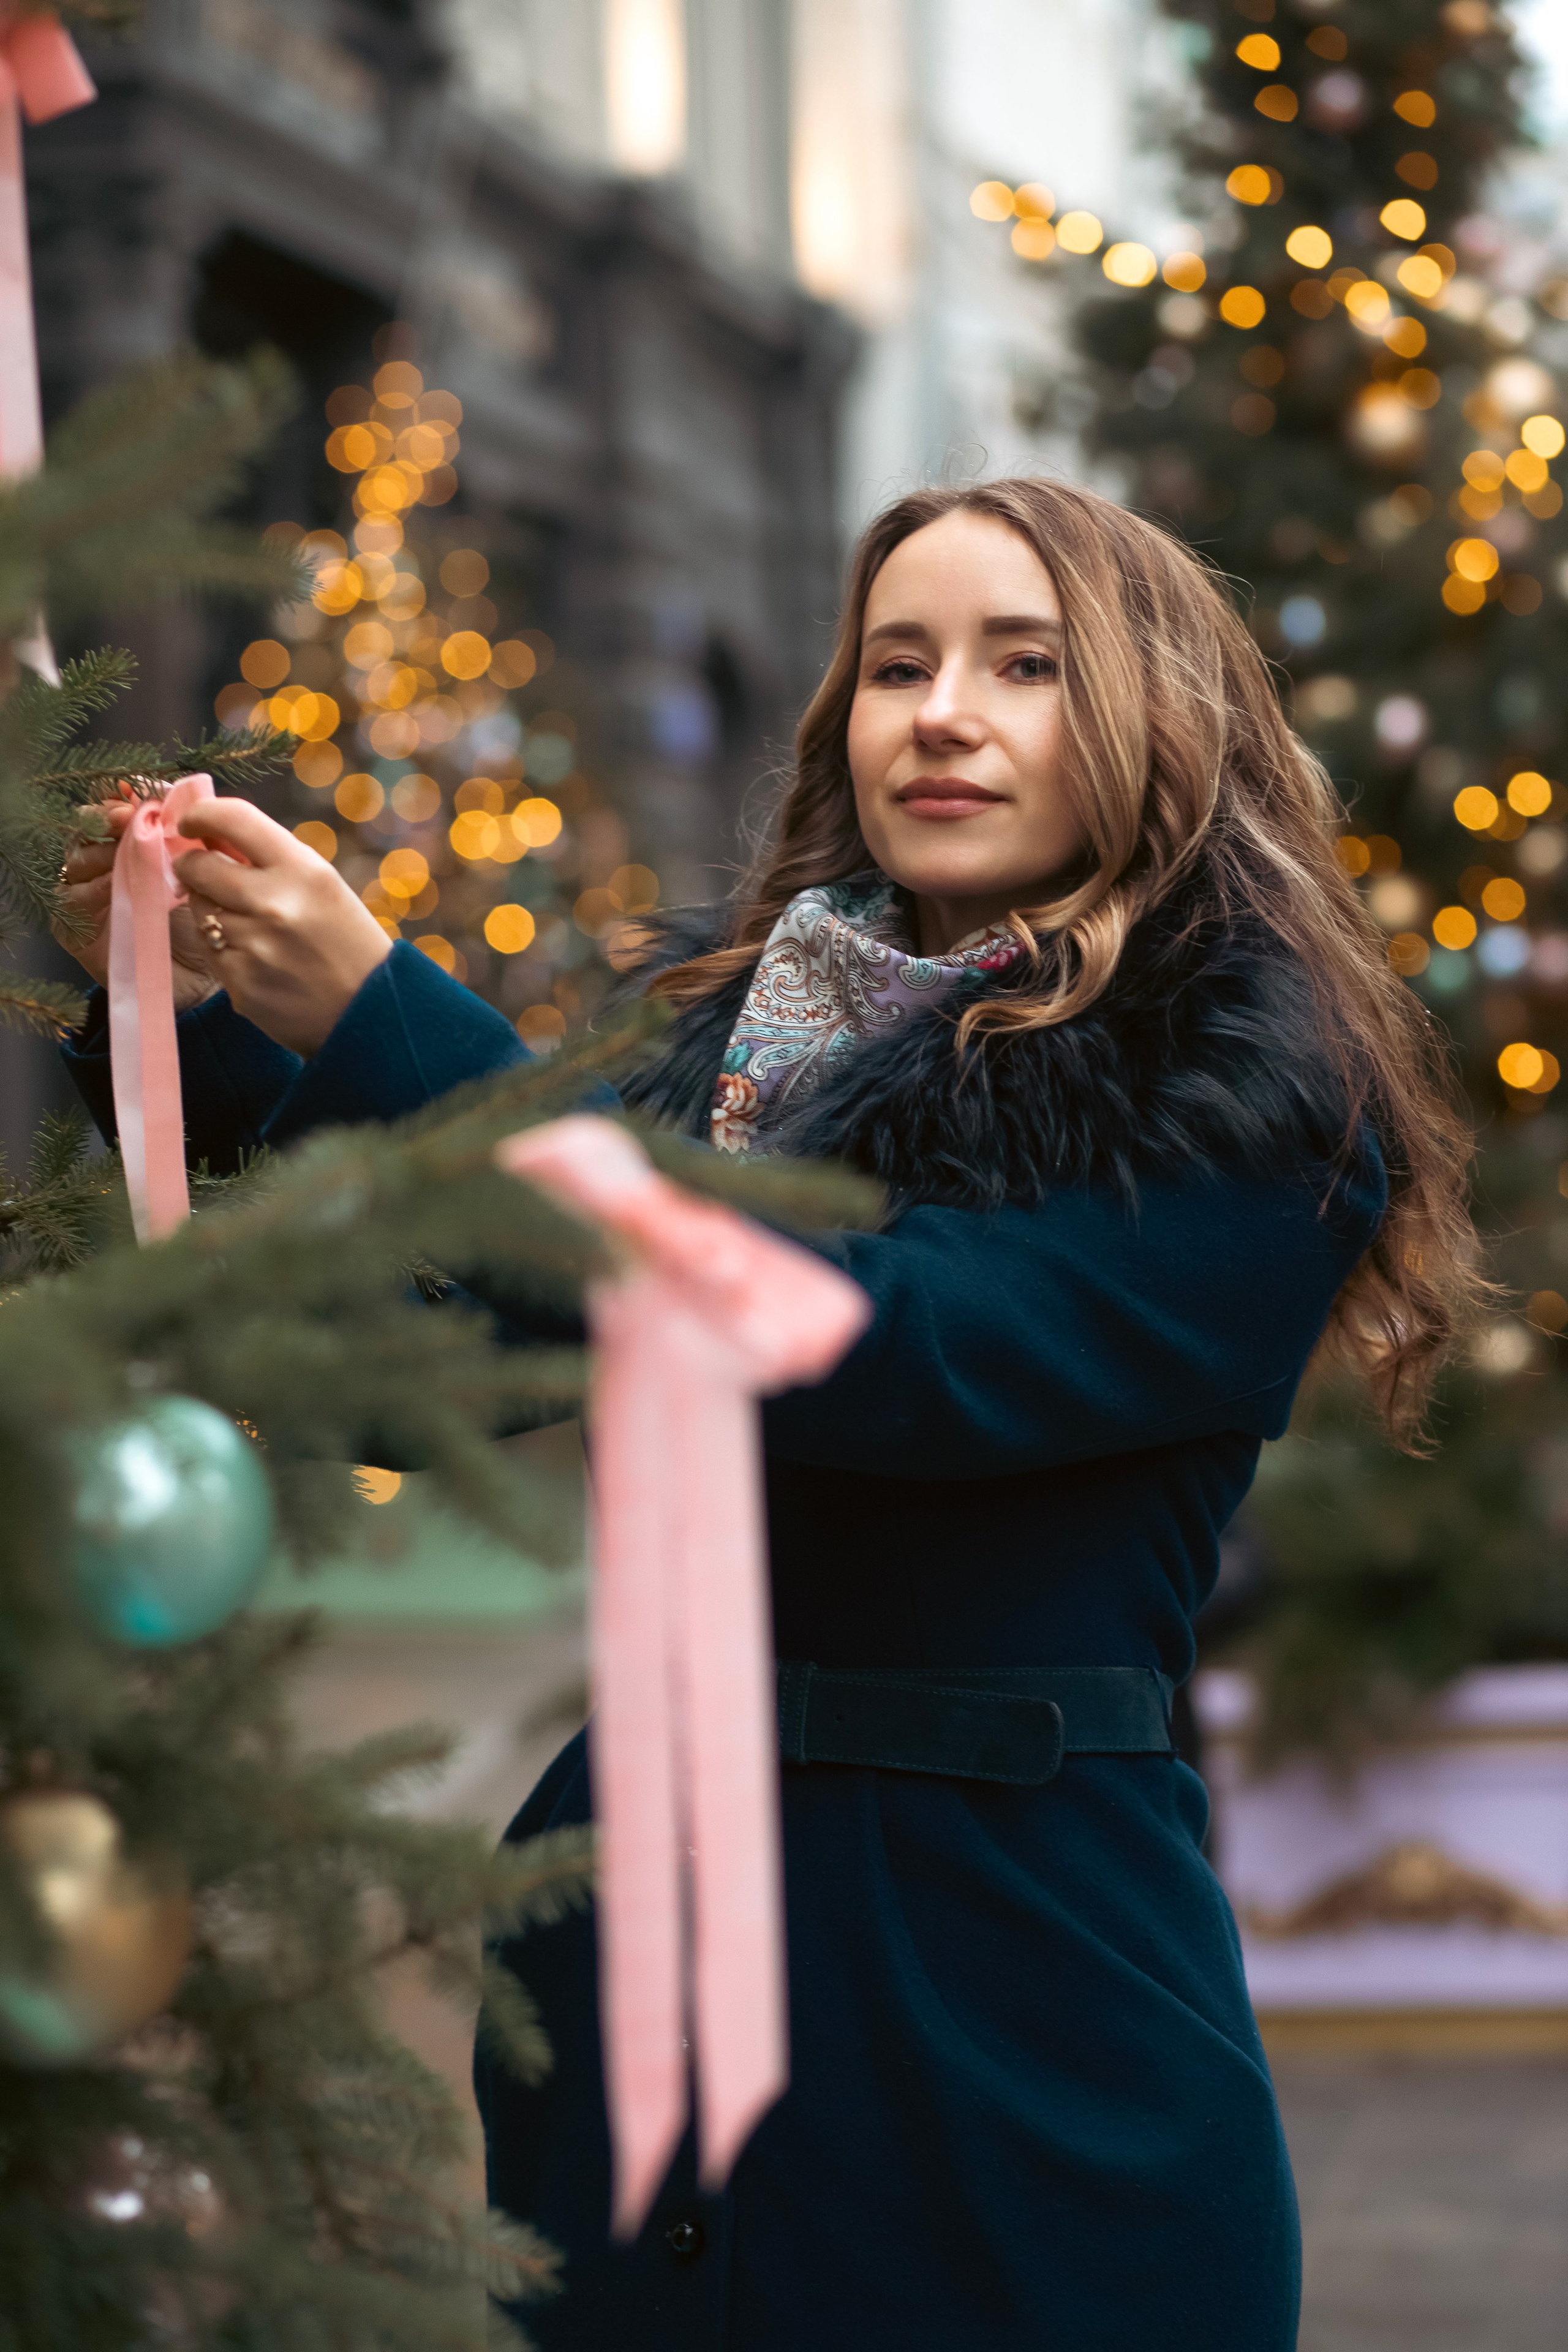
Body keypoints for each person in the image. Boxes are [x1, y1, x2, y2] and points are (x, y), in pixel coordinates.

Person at [58, 479, 1482, 2351]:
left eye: (1022, 664)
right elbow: (447, 1320)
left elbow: (856, 1340)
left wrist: (392, 1017)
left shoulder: (1250, 1113)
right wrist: (197, 1007)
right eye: (897, 662)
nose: (941, 711)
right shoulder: (739, 1067)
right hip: (647, 1956)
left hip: (1006, 2006)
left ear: (1154, 718)